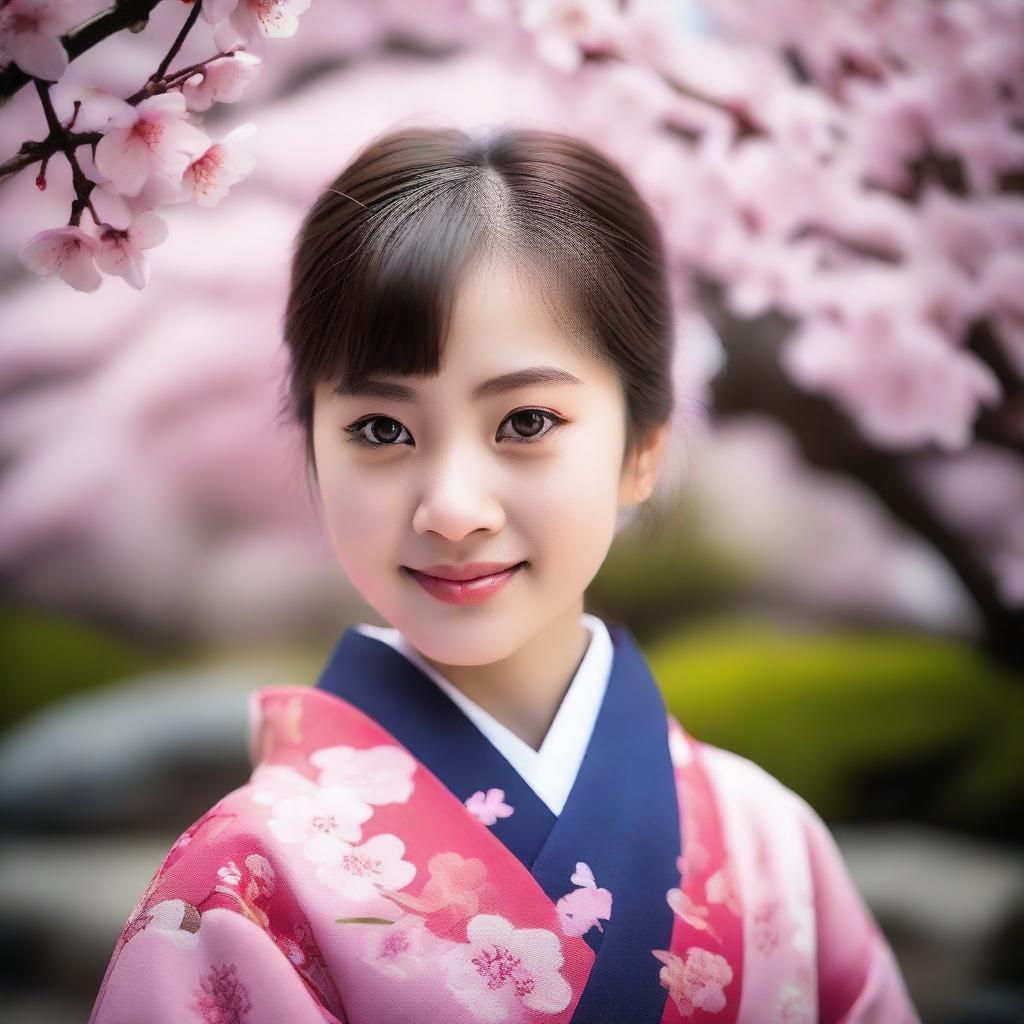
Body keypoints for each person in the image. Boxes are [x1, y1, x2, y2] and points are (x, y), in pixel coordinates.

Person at [89, 124, 921, 1023]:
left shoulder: (774, 847)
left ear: (643, 447)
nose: (452, 507)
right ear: (315, 452)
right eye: (380, 430)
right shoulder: (242, 880)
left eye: (525, 422)